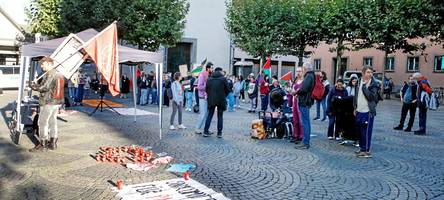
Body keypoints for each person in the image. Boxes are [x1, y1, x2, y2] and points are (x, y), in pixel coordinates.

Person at [29, 57, 65, 152]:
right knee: (53, 122)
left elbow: (44, 87)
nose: (41, 66)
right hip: (56, 102)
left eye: (42, 64)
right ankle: (53, 143)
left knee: (42, 122)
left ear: (49, 63)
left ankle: (43, 144)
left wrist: (33, 86)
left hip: (48, 102)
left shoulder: (50, 74)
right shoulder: (59, 73)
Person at [354, 66, 381, 158]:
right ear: (363, 73)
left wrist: (365, 87)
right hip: (359, 110)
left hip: (368, 111)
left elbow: (371, 97)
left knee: (366, 131)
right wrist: (355, 108)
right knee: (359, 131)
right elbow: (356, 96)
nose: (370, 74)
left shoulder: (374, 84)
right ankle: (362, 148)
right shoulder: (358, 81)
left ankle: (366, 150)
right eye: (368, 72)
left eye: (371, 72)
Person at [203, 67, 229, 138]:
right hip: (221, 99)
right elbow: (228, 89)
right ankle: (219, 133)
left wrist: (210, 95)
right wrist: (224, 95)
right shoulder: (223, 79)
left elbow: (206, 89)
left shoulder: (209, 78)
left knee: (210, 115)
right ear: (220, 71)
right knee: (220, 116)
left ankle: (205, 131)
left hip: (211, 99)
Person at [294, 63, 315, 149]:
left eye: (303, 69)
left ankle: (306, 143)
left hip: (304, 101)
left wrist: (296, 92)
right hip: (306, 101)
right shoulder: (311, 76)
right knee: (306, 122)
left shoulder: (309, 76)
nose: (303, 70)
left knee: (305, 123)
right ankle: (306, 142)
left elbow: (304, 88)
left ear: (306, 68)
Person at [195, 62, 213, 134]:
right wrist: (208, 87)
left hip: (209, 97)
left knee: (208, 114)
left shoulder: (211, 75)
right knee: (202, 113)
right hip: (202, 96)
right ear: (208, 68)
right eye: (212, 68)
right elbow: (199, 86)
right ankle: (197, 128)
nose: (213, 69)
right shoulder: (202, 75)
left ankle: (206, 129)